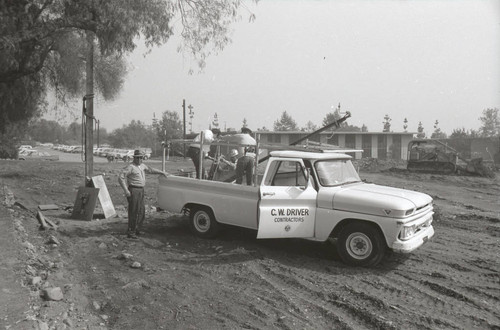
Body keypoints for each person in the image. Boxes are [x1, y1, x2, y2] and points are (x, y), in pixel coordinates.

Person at [118, 149, 168, 239]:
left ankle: (137, 229)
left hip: (141, 190)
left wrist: (162, 172)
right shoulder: (130, 167)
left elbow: (150, 170)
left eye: (141, 158)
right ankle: (131, 232)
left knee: (141, 211)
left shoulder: (142, 166)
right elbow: (121, 177)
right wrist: (126, 190)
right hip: (133, 190)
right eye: (138, 158)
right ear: (134, 158)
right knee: (133, 211)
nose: (140, 159)